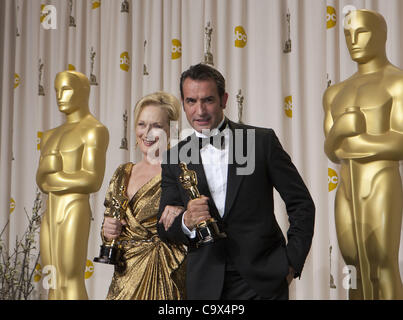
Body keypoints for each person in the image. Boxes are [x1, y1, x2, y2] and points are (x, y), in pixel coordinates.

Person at [157, 63, 315, 300]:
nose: (199, 110)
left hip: (263, 281)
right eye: (191, 101)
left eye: (208, 100)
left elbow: (301, 203)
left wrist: (290, 263)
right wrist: (187, 221)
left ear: (224, 100)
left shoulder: (261, 142)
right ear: (183, 102)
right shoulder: (174, 158)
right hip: (205, 284)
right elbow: (165, 226)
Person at [323, 9, 403, 299]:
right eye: (348, 34)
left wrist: (353, 142)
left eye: (362, 32)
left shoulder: (397, 83)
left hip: (381, 180)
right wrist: (340, 130)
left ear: (382, 35)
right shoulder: (336, 93)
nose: (353, 40)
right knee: (353, 264)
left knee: (382, 262)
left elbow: (400, 142)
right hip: (347, 185)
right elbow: (331, 149)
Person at [101, 91, 187, 300]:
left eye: (156, 126)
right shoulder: (123, 172)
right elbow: (110, 228)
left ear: (171, 130)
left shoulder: (181, 171)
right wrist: (107, 229)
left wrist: (183, 214)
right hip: (124, 276)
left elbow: (197, 219)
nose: (147, 133)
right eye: (142, 124)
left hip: (165, 275)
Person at [36, 70, 109, 300]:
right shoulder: (49, 135)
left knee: (70, 275)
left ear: (83, 92)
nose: (59, 96)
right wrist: (51, 177)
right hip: (51, 209)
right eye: (57, 90)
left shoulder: (94, 130)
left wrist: (53, 177)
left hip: (74, 207)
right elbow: (41, 181)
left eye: (66, 89)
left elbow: (92, 179)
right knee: (53, 278)